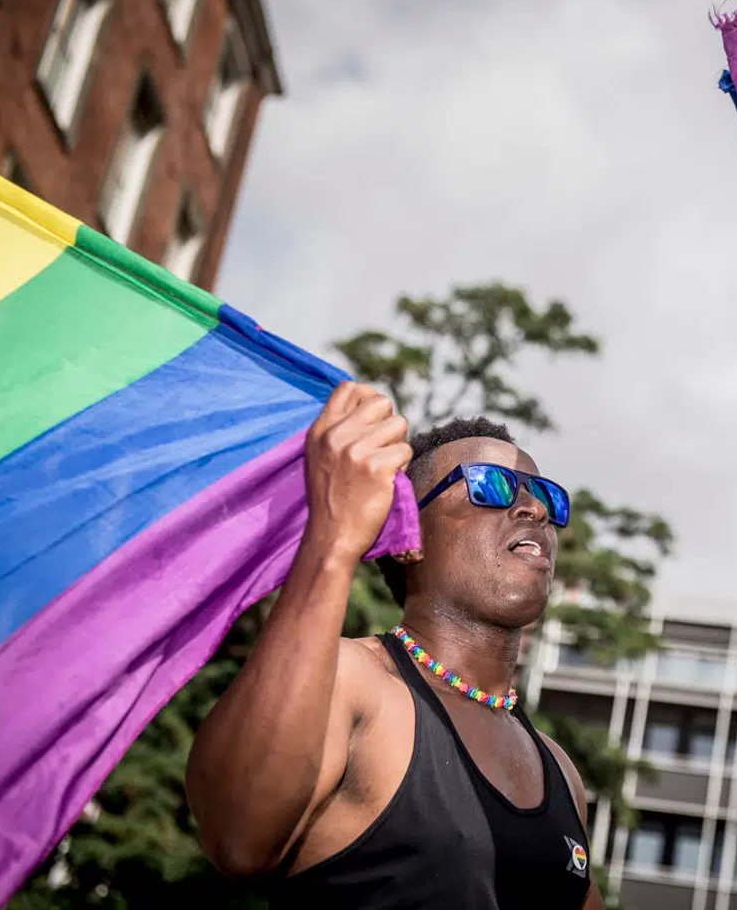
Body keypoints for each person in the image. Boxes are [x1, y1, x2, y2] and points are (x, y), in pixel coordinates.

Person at [186, 382, 603, 910]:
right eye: (491, 486)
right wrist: (333, 540)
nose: (534, 510)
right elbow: (236, 835)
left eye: (545, 496)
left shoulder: (561, 772)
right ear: (410, 538)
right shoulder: (350, 680)